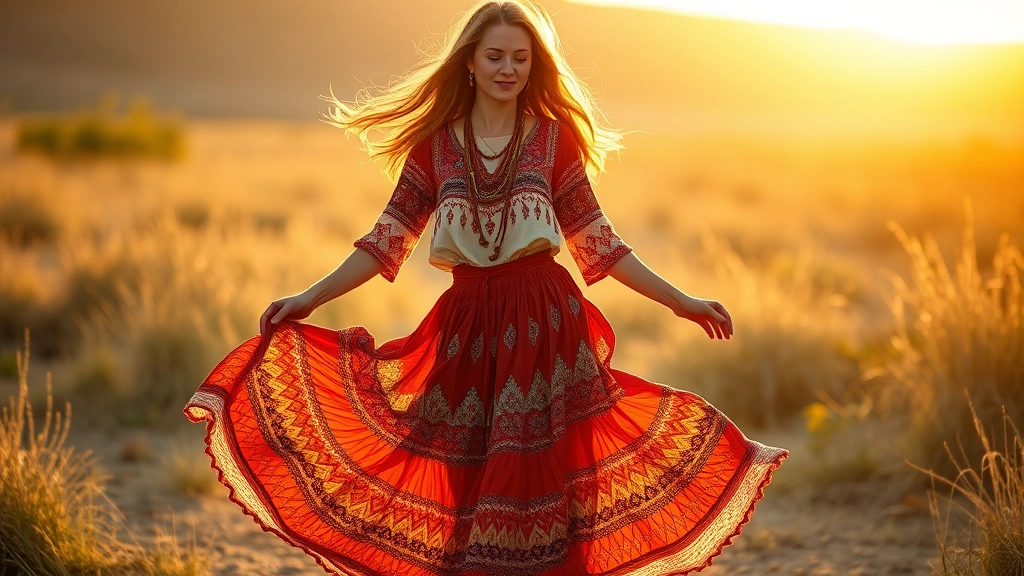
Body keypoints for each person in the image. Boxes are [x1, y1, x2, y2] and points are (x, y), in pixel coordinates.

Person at [184, 1, 788, 574]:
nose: (508, 69)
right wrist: (307, 298)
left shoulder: (554, 141)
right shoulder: (434, 148)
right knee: (462, 479)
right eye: (496, 56)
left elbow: (599, 241)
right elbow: (384, 241)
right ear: (469, 61)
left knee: (545, 481)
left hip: (545, 324)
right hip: (467, 330)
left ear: (534, 66)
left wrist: (682, 302)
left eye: (521, 58)